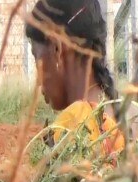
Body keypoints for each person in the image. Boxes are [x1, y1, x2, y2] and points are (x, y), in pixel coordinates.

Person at [26, 0, 126, 156]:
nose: (38, 82)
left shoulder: (70, 130)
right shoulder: (129, 116)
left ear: (57, 49)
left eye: (36, 57)